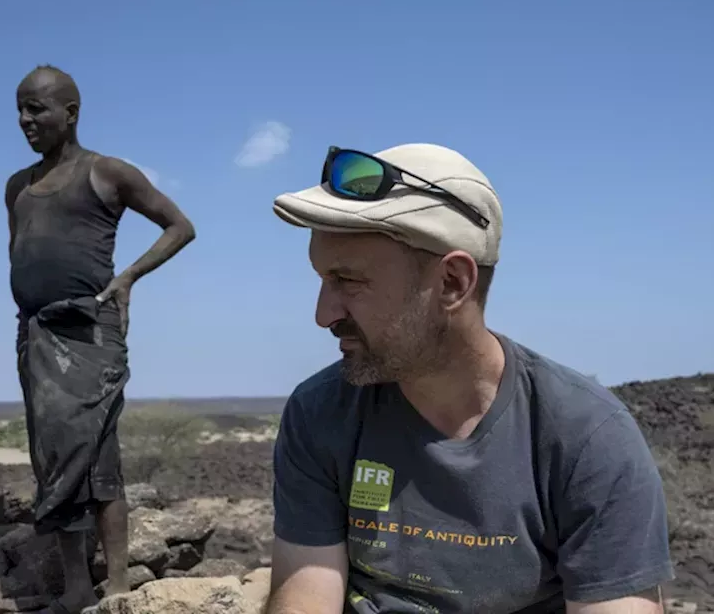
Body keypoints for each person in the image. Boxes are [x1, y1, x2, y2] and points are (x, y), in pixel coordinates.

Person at [264, 143, 673, 614]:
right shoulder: (320, 412)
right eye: (321, 279)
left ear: (452, 283)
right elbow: (306, 596)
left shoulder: (586, 437)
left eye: (348, 281)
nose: (323, 314)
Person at [6, 64, 196, 614]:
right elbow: (21, 254)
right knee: (54, 460)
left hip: (90, 332)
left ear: (71, 113)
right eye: (19, 109)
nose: (24, 120)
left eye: (36, 108)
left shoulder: (108, 172)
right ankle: (74, 586)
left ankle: (115, 584)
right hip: (37, 335)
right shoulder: (17, 186)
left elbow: (180, 226)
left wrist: (129, 276)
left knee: (99, 455)